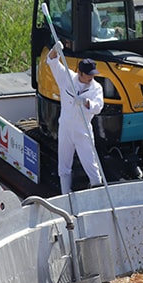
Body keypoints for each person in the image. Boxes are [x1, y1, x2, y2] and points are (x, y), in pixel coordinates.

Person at [46, 48, 105, 194]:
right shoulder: (67, 78)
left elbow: (98, 107)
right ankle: (65, 193)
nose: (91, 78)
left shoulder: (96, 88)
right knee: (64, 165)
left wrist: (86, 102)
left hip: (82, 130)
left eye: (93, 75)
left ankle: (97, 191)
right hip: (65, 127)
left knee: (91, 165)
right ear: (80, 73)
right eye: (88, 75)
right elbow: (52, 61)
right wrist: (55, 49)